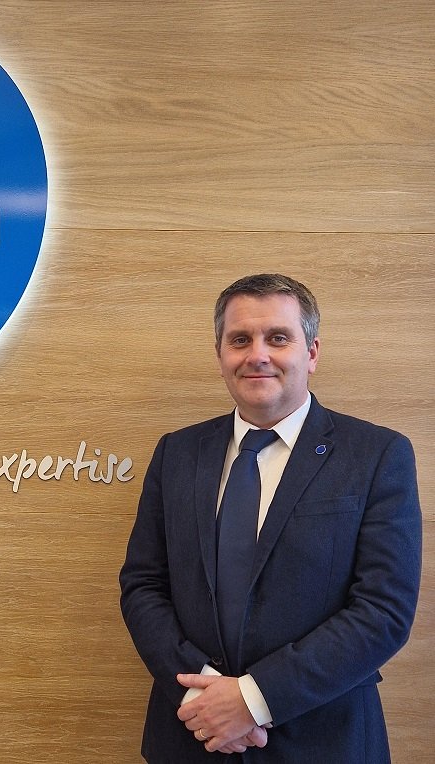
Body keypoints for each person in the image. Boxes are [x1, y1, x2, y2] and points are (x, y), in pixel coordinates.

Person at [119, 274, 421, 762]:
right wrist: (205, 697)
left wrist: (253, 700)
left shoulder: (377, 455)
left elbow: (383, 610)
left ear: (312, 353)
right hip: (192, 736)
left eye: (278, 338)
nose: (257, 354)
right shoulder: (177, 453)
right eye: (240, 340)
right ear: (220, 357)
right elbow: (143, 584)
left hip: (324, 740)